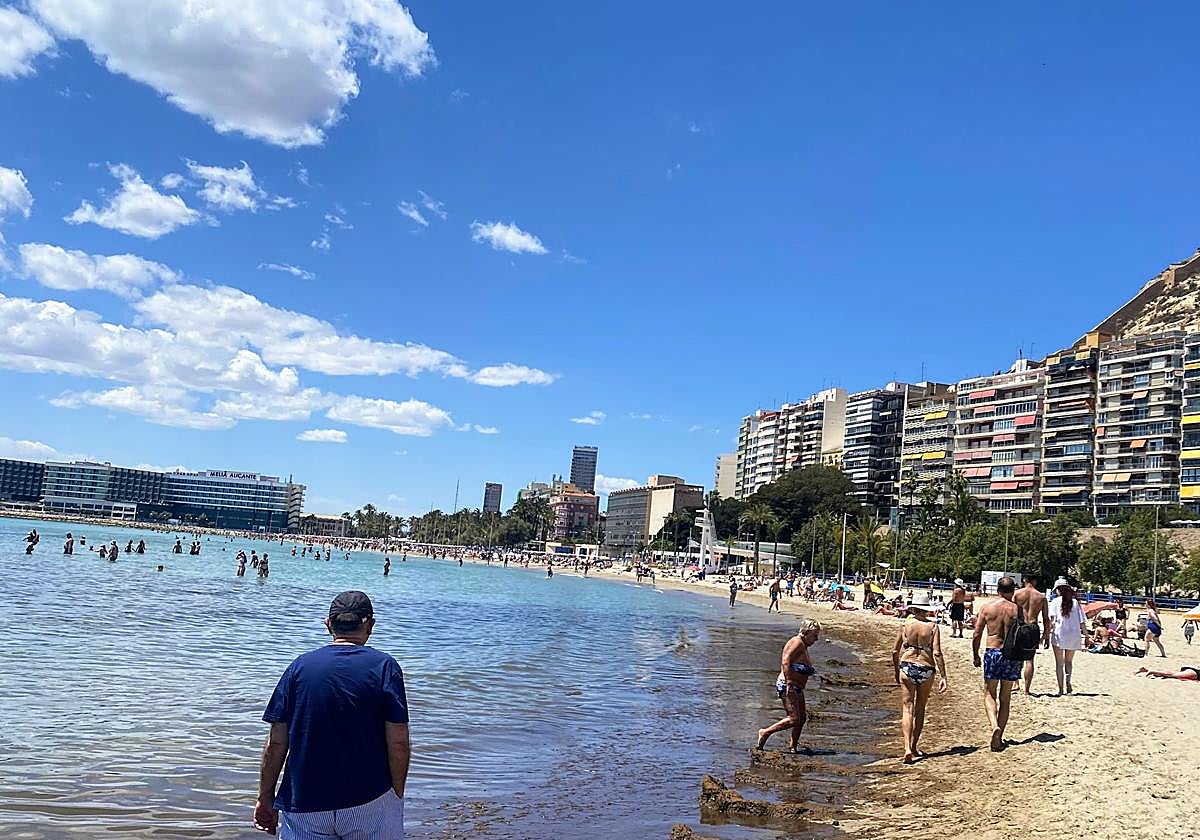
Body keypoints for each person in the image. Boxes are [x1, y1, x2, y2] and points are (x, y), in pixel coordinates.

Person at [255, 591, 410, 837]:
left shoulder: (299, 667)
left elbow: (276, 743)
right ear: (370, 625)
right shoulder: (385, 667)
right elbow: (398, 742)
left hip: (305, 801)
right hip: (370, 798)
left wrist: (265, 797)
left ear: (328, 625)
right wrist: (396, 793)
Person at [891, 592, 948, 763]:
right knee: (920, 709)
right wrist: (944, 676)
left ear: (913, 608)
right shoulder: (932, 627)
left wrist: (896, 670)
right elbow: (937, 652)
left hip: (907, 666)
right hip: (926, 667)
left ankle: (907, 748)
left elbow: (895, 651)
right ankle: (914, 747)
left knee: (907, 708)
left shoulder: (904, 626)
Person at [755, 619, 822, 753]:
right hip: (788, 685)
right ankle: (765, 732)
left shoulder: (803, 645)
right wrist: (790, 684)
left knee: (801, 718)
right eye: (814, 635)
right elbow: (785, 662)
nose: (816, 639)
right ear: (806, 632)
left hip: (796, 687)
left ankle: (793, 746)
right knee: (794, 718)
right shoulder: (796, 643)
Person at [972, 575, 1021, 751]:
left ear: (998, 590)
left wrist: (975, 655)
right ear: (1013, 590)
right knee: (1005, 698)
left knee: (989, 693)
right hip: (1011, 654)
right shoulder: (1017, 610)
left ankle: (994, 726)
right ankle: (999, 738)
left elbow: (977, 634)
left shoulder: (987, 608)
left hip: (992, 652)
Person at [1047, 578, 1086, 696]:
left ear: (1057, 590)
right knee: (1069, 661)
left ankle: (1060, 689)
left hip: (1059, 633)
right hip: (1074, 634)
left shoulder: (1054, 602)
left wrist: (1047, 633)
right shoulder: (1075, 602)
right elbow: (1082, 621)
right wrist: (1087, 636)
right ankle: (1068, 683)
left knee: (1059, 663)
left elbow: (1052, 620)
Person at [1013, 574, 1050, 695]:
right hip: (1033, 627)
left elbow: (1011, 612)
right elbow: (1046, 618)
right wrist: (1046, 635)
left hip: (1020, 626)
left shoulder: (1017, 594)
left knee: (1017, 657)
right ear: (1034, 581)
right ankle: (1027, 689)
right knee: (1030, 659)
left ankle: (1016, 683)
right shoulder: (1041, 597)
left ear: (1024, 580)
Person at [1134, 666, 1200, 681]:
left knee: (1170, 674)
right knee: (1172, 675)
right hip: (1195, 674)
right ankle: (1152, 671)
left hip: (1193, 671)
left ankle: (1145, 670)